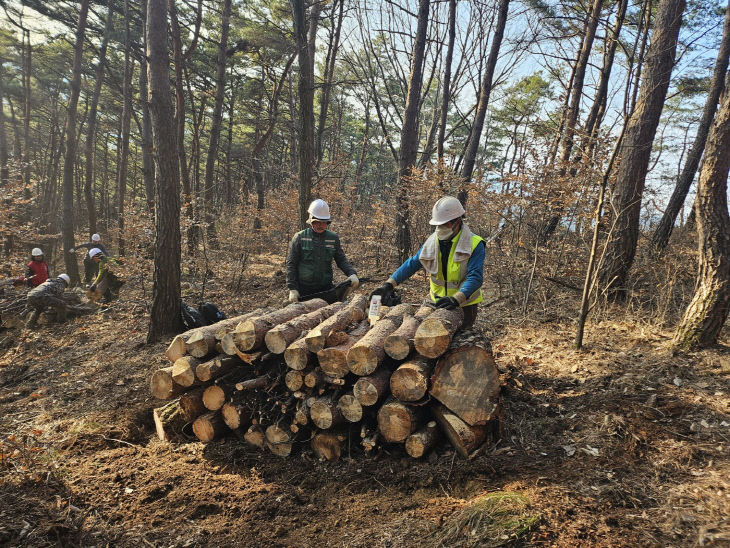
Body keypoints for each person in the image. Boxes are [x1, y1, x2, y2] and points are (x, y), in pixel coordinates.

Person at [370, 196, 485, 328]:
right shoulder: (433, 242)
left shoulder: (474, 244)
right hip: (434, 300)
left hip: (464, 304)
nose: (440, 227)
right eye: (438, 224)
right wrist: (389, 284)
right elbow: (413, 263)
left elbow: (475, 277)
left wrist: (457, 299)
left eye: (444, 224)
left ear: (457, 220)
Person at [286, 199, 359, 303]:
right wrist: (292, 288)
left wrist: (351, 274)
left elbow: (341, 260)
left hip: (325, 289)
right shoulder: (300, 237)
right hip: (304, 290)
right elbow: (291, 264)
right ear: (311, 220)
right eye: (317, 222)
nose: (320, 225)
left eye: (324, 223)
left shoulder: (333, 238)